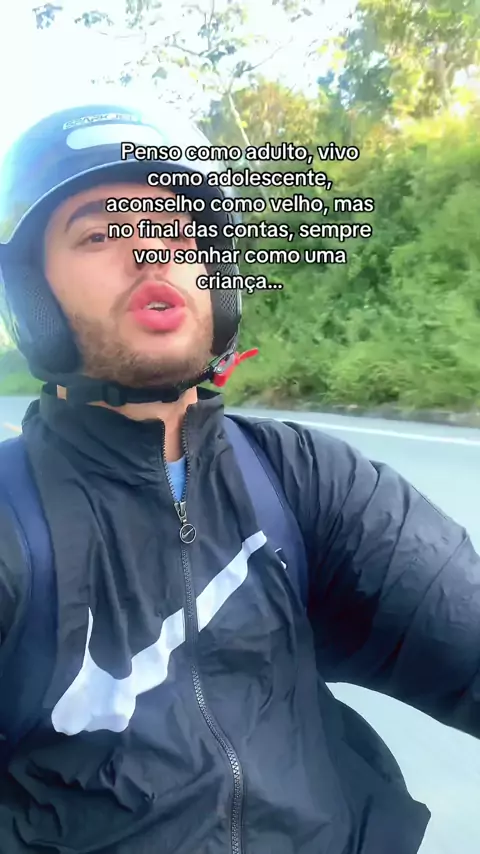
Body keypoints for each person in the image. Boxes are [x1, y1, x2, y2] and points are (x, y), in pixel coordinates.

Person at [0, 102, 478, 854]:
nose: (150, 250)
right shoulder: (10, 521)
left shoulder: (302, 478)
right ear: (32, 296)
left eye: (177, 228)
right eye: (99, 234)